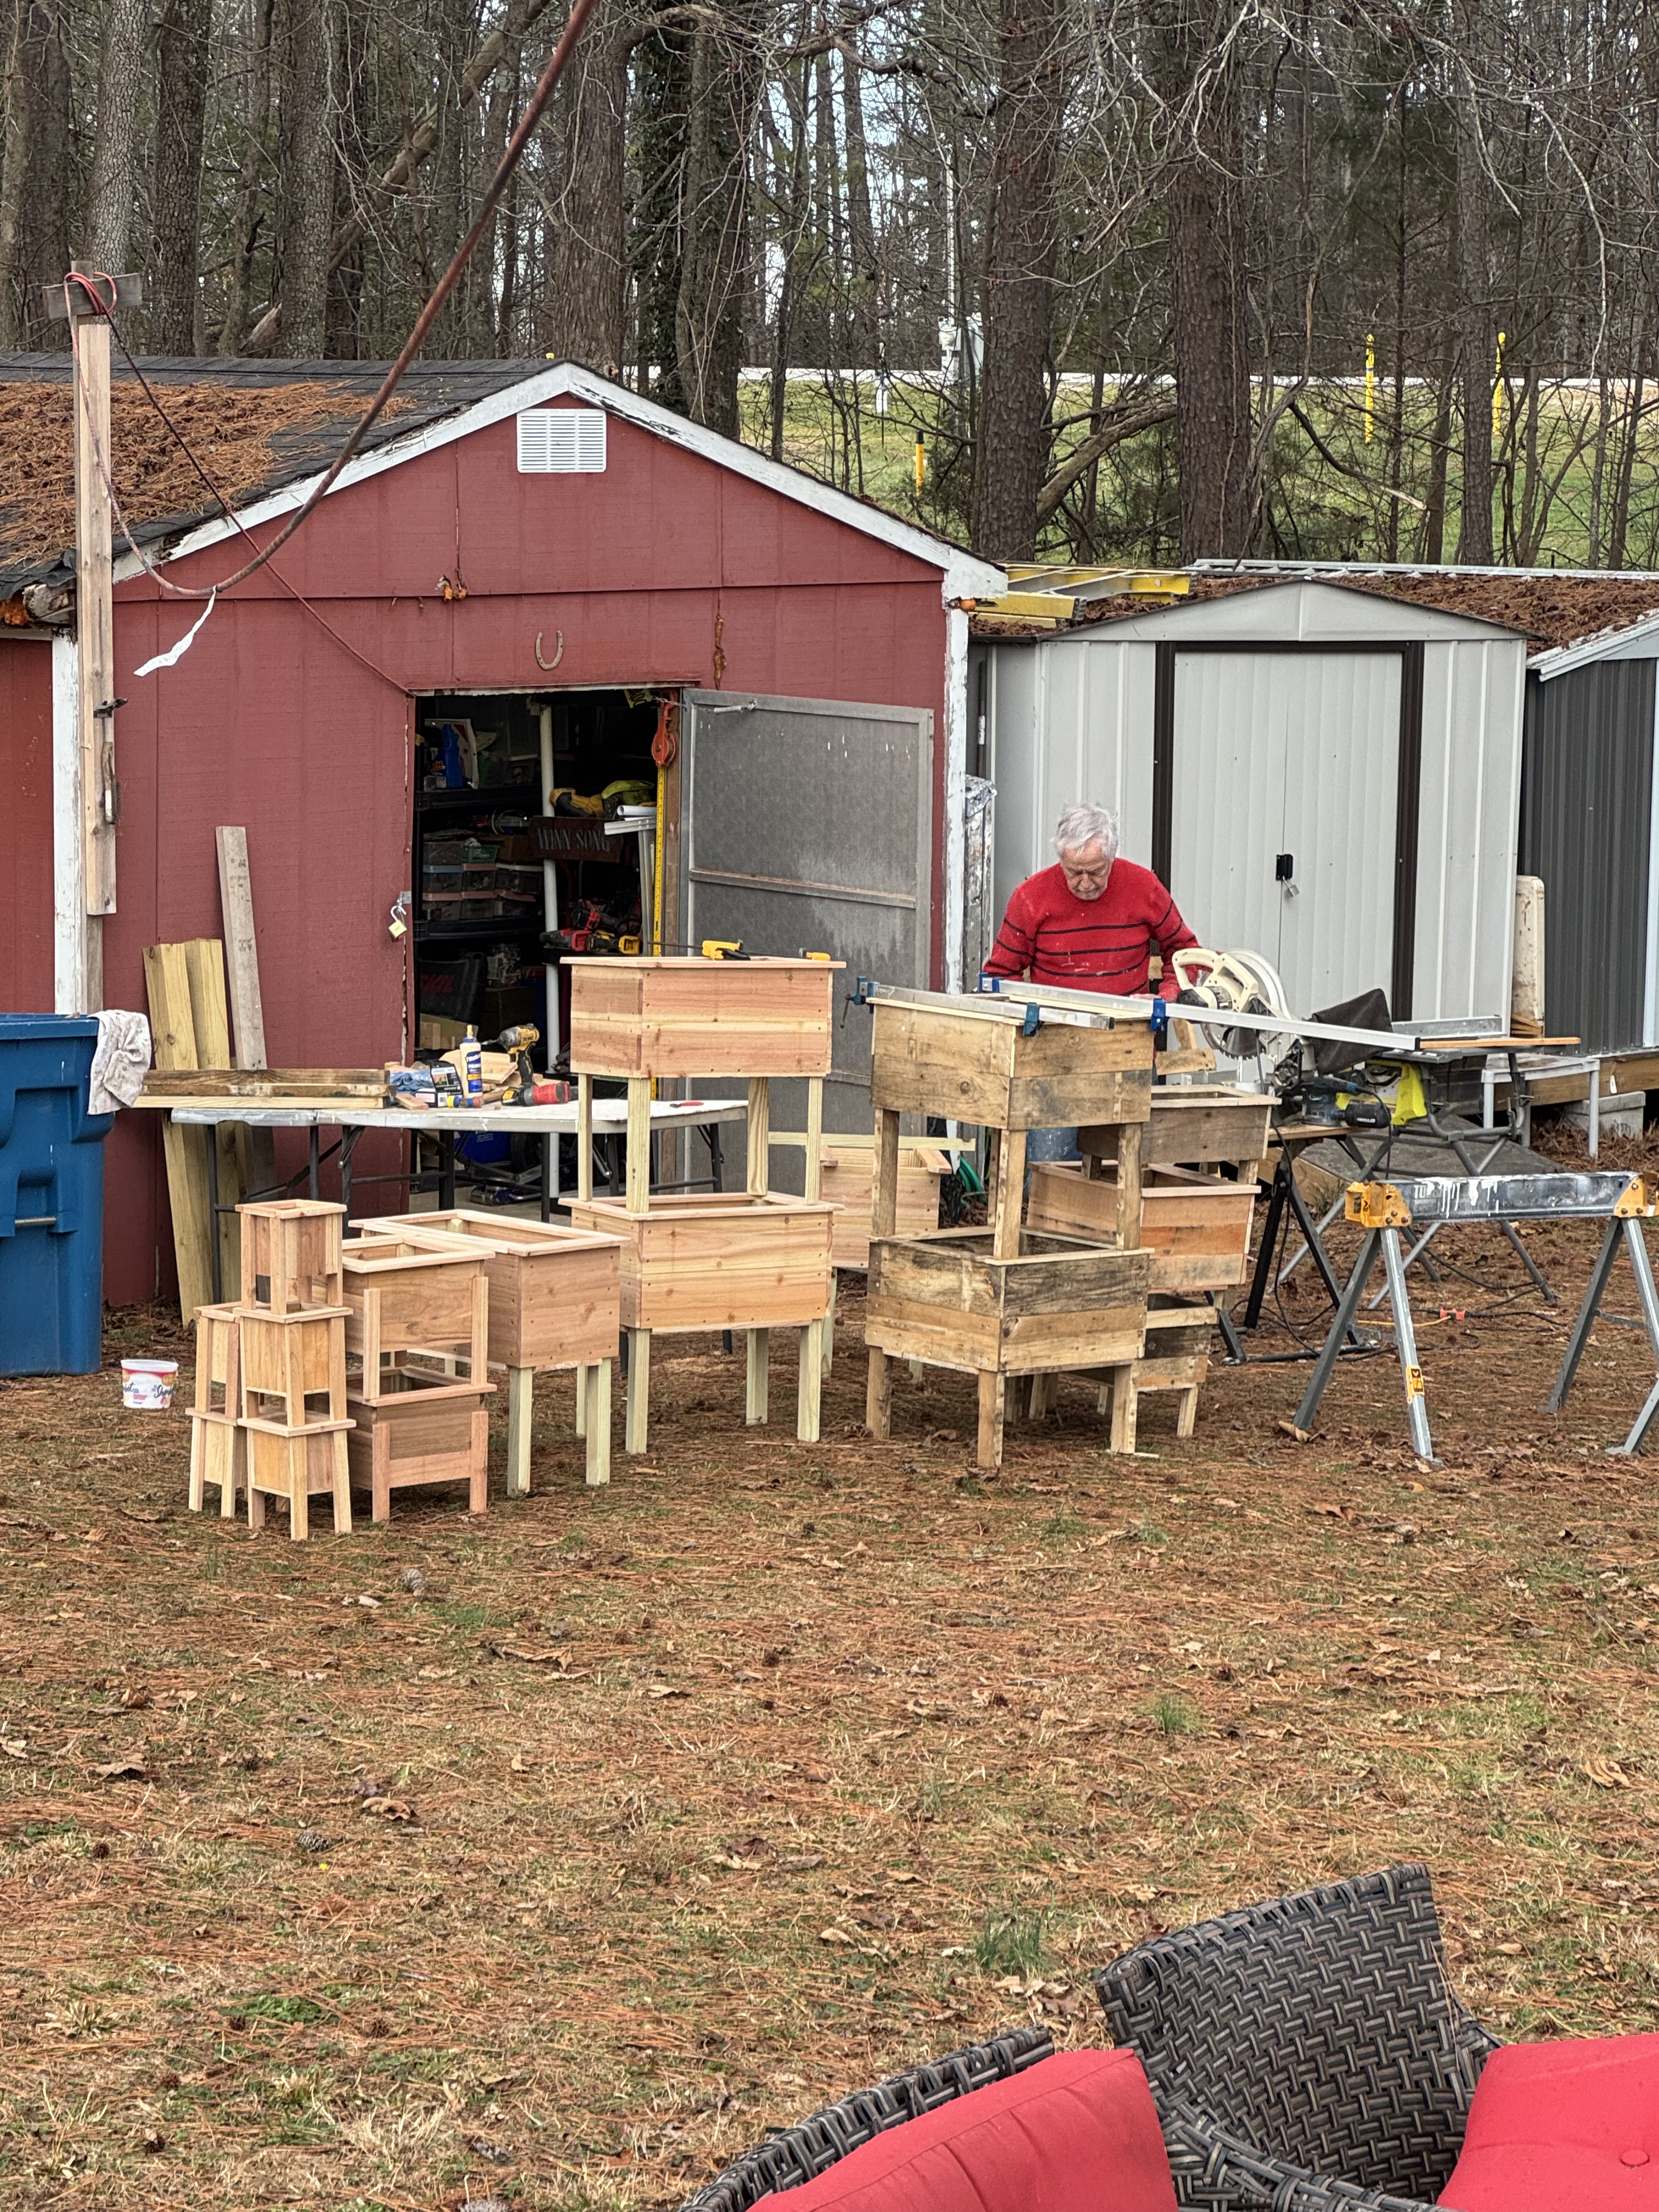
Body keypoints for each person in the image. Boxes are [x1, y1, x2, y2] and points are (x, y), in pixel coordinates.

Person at [982, 800, 1199, 1160]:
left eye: (1096, 871)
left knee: (1128, 1167)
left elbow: (1185, 950)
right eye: (1074, 872)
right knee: (1051, 1169)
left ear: (1112, 857)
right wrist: (1025, 1017)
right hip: (1053, 1057)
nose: (1085, 883)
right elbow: (999, 975)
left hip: (1127, 1051)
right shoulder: (1031, 897)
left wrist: (1166, 996)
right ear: (1061, 859)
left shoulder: (1143, 886)